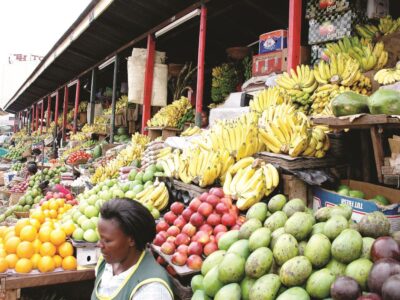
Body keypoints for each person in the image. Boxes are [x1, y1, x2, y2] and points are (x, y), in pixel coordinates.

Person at [92, 198, 173, 300]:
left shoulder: (151, 291)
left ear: (131, 240)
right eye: (100, 238)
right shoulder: (106, 262)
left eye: (107, 241)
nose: (99, 245)